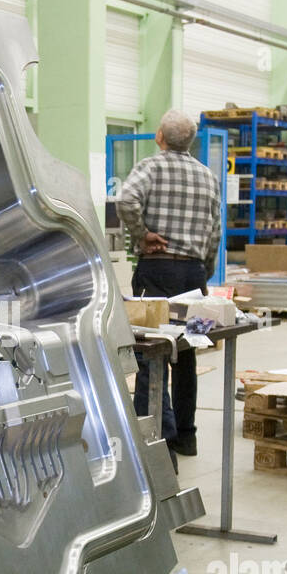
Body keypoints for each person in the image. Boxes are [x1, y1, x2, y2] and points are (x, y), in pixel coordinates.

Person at [116, 110, 221, 458]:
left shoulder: (150, 167)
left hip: (156, 273)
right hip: (193, 276)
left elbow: (126, 199)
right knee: (187, 352)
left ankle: (156, 437)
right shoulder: (208, 177)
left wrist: (143, 234)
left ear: (159, 136)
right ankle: (186, 436)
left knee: (151, 352)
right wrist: (202, 272)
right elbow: (215, 233)